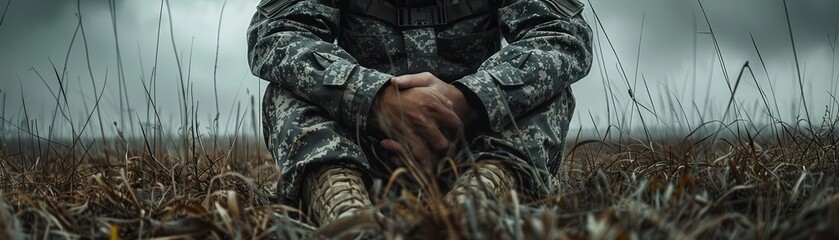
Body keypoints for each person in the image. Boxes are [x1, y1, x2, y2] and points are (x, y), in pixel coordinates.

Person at [248, 0, 593, 227]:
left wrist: (468, 100)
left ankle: (478, 201)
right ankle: (344, 208)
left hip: (475, 144)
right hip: (364, 149)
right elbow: (277, 35)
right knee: (287, 88)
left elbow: (562, 35)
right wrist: (375, 99)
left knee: (548, 89)